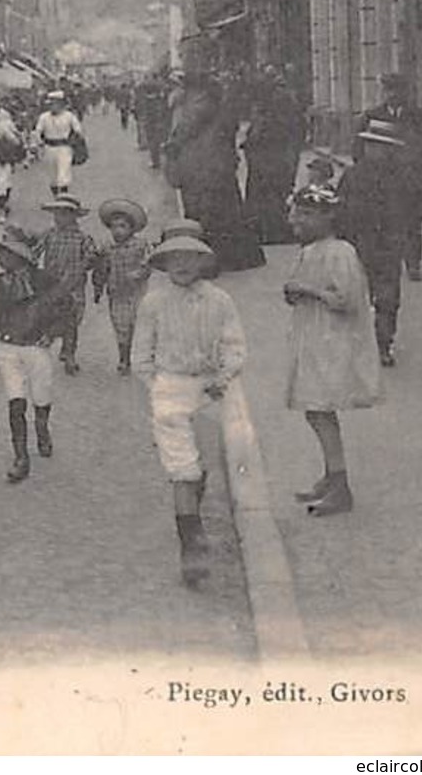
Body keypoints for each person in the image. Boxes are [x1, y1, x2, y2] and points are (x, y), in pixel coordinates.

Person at [131, 235, 252, 587]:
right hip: (170, 386)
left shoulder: (220, 301)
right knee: (182, 469)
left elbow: (235, 345)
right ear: (164, 265)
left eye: (190, 258)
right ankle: (192, 548)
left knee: (203, 466)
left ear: (203, 262)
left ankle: (192, 513)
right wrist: (159, 388)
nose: (182, 265)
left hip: (210, 389)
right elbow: (141, 353)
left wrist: (224, 376)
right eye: (173, 259)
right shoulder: (153, 302)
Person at [283, 184, 382, 518]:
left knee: (320, 409)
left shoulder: (340, 251)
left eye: (308, 216)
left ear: (329, 217)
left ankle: (341, 486)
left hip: (332, 343)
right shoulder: (312, 250)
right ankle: (331, 476)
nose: (299, 222)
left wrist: (306, 289)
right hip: (314, 339)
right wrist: (295, 292)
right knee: (315, 410)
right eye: (298, 215)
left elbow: (346, 299)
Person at [0, 228, 66, 483]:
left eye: (4, 253)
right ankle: (20, 456)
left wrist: (51, 334)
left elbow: (65, 308)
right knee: (15, 399)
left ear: (21, 257)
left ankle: (41, 427)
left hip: (36, 347)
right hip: (7, 346)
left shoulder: (44, 281)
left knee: (41, 394)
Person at [338, 119, 416, 367]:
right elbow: (339, 207)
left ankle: (383, 344)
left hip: (388, 246)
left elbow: (416, 207)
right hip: (357, 244)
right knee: (355, 296)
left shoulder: (403, 177)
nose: (374, 151)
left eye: (381, 146)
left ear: (391, 150)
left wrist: (402, 233)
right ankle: (355, 344)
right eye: (370, 145)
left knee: (387, 298)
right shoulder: (352, 175)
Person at [167, 78, 264, 272]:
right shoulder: (221, 109)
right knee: (225, 212)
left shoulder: (197, 109)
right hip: (217, 168)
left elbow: (183, 131)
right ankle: (231, 256)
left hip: (201, 168)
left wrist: (172, 146)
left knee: (204, 212)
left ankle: (209, 258)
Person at [361, 72, 422, 280]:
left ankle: (413, 264)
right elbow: (359, 148)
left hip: (409, 181)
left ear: (403, 92)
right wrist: (368, 176)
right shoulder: (372, 115)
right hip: (381, 182)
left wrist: (420, 173)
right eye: (387, 90)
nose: (391, 95)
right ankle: (386, 262)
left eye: (396, 90)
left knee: (412, 223)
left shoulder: (416, 115)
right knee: (383, 222)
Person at [19, 195, 101, 376]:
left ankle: (69, 351)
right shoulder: (49, 234)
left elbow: (92, 257)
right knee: (51, 316)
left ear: (74, 216)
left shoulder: (83, 238)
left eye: (64, 214)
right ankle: (52, 349)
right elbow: (36, 251)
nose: (58, 218)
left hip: (74, 285)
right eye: (56, 214)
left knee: (73, 319)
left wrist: (87, 263)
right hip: (51, 283)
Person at [92, 199, 153, 376]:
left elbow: (148, 264)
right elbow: (101, 269)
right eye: (113, 227)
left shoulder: (141, 245)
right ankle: (124, 358)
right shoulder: (107, 248)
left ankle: (141, 356)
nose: (117, 231)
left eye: (122, 226)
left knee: (139, 325)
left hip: (136, 293)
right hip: (116, 293)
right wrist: (98, 288)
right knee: (121, 327)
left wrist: (139, 273)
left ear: (132, 228)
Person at [242, 75, 305, 245]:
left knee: (267, 196)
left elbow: (253, 140)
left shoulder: (268, 114)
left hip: (268, 164)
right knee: (273, 195)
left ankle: (265, 231)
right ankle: (273, 231)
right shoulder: (281, 112)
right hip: (273, 164)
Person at [33, 91, 84, 196]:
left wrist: (74, 140)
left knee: (63, 172)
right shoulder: (44, 117)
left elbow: (78, 130)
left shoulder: (69, 116)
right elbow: (37, 131)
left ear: (61, 104)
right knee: (52, 176)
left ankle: (63, 196)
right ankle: (56, 196)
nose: (52, 106)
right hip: (49, 148)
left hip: (64, 147)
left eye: (54, 103)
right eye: (50, 104)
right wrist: (39, 142)